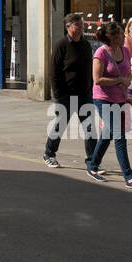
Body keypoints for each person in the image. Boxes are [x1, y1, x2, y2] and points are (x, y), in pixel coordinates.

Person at [87, 21, 132, 188]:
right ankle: (129, 177)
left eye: (122, 33)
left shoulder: (125, 51)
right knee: (119, 136)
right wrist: (119, 80)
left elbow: (125, 72)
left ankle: (93, 165)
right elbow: (97, 79)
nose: (122, 36)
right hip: (103, 99)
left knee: (108, 133)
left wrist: (127, 87)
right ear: (110, 37)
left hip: (119, 98)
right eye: (119, 34)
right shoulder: (101, 53)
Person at [43, 13, 97, 169]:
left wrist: (91, 88)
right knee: (60, 125)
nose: (81, 27)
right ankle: (49, 153)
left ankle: (92, 160)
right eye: (77, 25)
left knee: (89, 128)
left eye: (81, 24)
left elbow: (89, 68)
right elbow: (54, 72)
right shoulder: (61, 45)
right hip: (66, 94)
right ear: (68, 27)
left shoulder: (86, 45)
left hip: (84, 94)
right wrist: (58, 94)